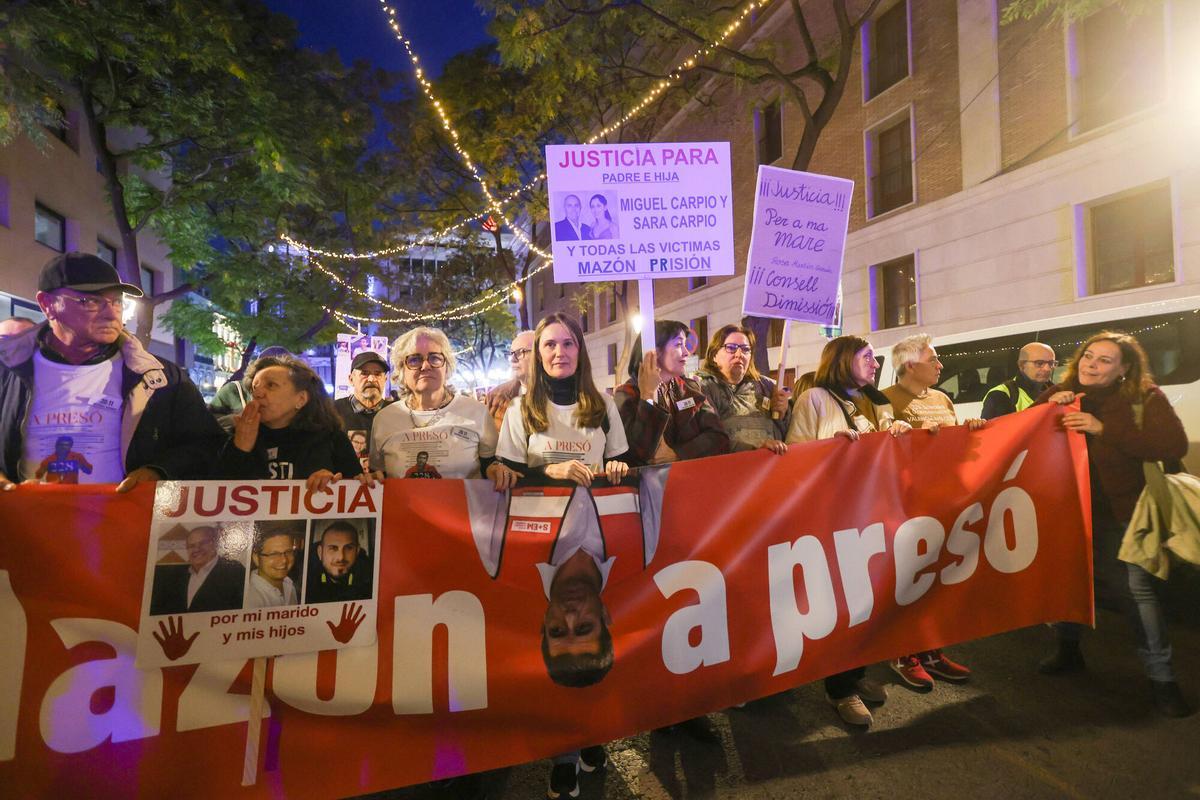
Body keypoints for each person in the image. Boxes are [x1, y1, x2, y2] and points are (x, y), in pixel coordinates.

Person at [1036, 331, 1193, 717]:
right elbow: (1021, 435)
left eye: (1105, 360)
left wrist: (1104, 430)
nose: (1092, 364)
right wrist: (1045, 409)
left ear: (1124, 368)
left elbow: (1173, 446)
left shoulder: (1144, 398)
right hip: (1068, 510)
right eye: (1089, 355)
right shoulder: (1062, 393)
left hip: (1123, 514)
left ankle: (1163, 683)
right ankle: (1068, 651)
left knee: (1137, 594)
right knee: (1071, 583)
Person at [0, 252, 223, 492]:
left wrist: (158, 471)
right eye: (91, 302)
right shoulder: (7, 369)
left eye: (117, 301)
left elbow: (207, 444)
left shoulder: (161, 378)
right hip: (25, 524)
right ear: (47, 304)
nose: (111, 313)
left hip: (122, 524)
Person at [787, 335, 910, 727]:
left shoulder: (875, 401)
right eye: (867, 357)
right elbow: (794, 457)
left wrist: (902, 433)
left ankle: (856, 674)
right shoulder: (815, 400)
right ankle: (840, 690)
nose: (875, 364)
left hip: (873, 514)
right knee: (841, 604)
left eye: (875, 358)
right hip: (834, 518)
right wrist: (830, 449)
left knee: (868, 603)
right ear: (843, 360)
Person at [882, 333, 985, 691]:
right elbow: (881, 453)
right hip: (906, 505)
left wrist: (970, 431)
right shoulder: (886, 401)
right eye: (933, 359)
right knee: (908, 579)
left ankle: (932, 651)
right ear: (910, 365)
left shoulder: (942, 398)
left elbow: (954, 448)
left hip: (942, 501)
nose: (941, 365)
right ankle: (904, 653)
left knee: (936, 577)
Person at [369, 326, 515, 490]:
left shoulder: (476, 412)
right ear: (402, 370)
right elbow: (379, 473)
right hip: (403, 513)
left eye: (435, 358)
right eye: (415, 360)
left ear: (447, 367)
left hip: (463, 513)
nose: (425, 366)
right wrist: (374, 478)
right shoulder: (384, 418)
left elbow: (488, 464)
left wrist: (495, 470)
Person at [497, 312, 630, 487]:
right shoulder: (519, 409)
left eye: (568, 344)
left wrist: (618, 467)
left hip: (591, 511)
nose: (560, 353)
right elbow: (509, 477)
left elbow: (621, 466)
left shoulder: (605, 405)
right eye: (550, 345)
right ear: (538, 354)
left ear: (579, 351)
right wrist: (549, 470)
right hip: (540, 512)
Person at [217, 354, 362, 490]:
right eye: (255, 387)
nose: (257, 394)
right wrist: (240, 449)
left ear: (301, 399)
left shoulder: (332, 438)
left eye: (271, 385)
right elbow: (216, 495)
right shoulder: (237, 436)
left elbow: (357, 491)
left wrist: (333, 482)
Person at [614, 319, 729, 465]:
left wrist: (678, 454)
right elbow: (635, 454)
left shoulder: (690, 389)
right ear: (654, 351)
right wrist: (648, 396)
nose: (687, 353)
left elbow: (719, 438)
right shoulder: (627, 394)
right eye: (679, 344)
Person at [695, 324, 791, 455]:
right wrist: (755, 449)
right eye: (731, 348)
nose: (739, 354)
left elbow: (787, 433)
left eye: (746, 349)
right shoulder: (703, 388)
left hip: (768, 468)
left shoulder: (767, 386)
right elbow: (710, 439)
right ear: (714, 355)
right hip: (729, 469)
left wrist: (783, 414)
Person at [149, 525, 246, 615]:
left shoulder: (234, 571)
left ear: (215, 544)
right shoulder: (175, 577)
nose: (197, 549)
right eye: (191, 546)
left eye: (203, 543)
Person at [333, 351, 394, 462]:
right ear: (351, 379)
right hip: (345, 479)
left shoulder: (395, 413)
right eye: (364, 373)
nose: (371, 379)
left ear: (385, 380)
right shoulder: (333, 412)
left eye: (378, 373)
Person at [980, 342, 1057, 420]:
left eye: (1051, 363)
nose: (1047, 369)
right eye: (1039, 363)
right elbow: (995, 430)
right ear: (1022, 365)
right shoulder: (1000, 394)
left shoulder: (1058, 391)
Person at [208, 345, 293, 416]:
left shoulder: (294, 396)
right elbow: (209, 425)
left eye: (272, 385)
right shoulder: (232, 391)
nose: (258, 394)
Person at [305, 520, 373, 604]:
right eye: (333, 548)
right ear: (320, 552)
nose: (341, 557)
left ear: (357, 551)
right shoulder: (305, 580)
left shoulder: (371, 579)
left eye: (348, 548)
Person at [485, 330, 534, 431]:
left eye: (520, 352)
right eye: (511, 353)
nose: (512, 359)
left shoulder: (559, 396)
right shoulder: (495, 396)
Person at [245, 527, 300, 609]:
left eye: (288, 552)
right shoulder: (250, 597)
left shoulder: (289, 585)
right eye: (274, 554)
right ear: (256, 558)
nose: (284, 560)